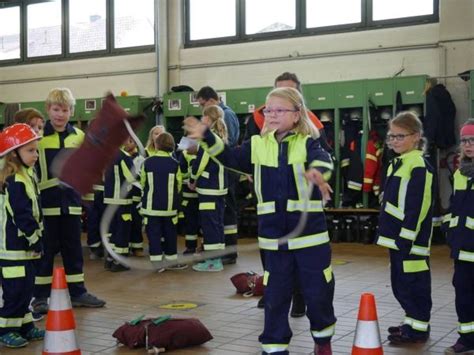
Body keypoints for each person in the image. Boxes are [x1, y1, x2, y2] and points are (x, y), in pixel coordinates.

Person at [184, 87, 336, 355]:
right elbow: (229, 157)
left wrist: (318, 174)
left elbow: (324, 161)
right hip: (274, 240)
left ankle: (322, 340)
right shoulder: (257, 145)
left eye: (280, 110)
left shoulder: (308, 143)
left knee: (318, 292)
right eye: (268, 110)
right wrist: (206, 137)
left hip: (310, 239)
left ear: (296, 115)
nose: (272, 114)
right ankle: (275, 347)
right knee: (275, 296)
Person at [246, 72, 323, 316]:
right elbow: (246, 148)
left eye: (289, 91)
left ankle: (299, 298)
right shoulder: (258, 118)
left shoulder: (312, 126)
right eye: (279, 89)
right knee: (271, 254)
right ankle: (274, 292)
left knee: (300, 256)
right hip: (269, 201)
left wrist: (318, 172)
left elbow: (324, 154)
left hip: (299, 207)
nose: (274, 113)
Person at [31, 88, 105, 313]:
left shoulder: (79, 137)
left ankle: (78, 292)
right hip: (46, 206)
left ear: (72, 111)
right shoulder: (38, 137)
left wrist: (89, 200)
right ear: (48, 109)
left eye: (64, 110)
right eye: (56, 109)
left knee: (73, 250)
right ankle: (40, 297)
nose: (60, 114)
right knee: (45, 252)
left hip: (72, 206)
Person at [375, 111, 434, 345]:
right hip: (396, 238)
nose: (394, 141)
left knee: (414, 283)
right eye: (391, 137)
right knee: (400, 283)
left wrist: (406, 237)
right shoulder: (395, 164)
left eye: (400, 136)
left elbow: (419, 206)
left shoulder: (419, 165)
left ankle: (419, 329)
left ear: (416, 137)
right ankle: (411, 321)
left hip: (410, 240)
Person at [0, 124, 45, 348]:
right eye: (30, 151)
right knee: (15, 290)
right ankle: (6, 329)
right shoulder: (14, 181)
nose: (36, 155)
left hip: (25, 247)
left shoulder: (27, 175)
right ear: (13, 153)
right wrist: (35, 238)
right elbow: (22, 215)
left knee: (26, 287)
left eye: (36, 150)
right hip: (13, 249)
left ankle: (24, 325)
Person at [196, 86, 240, 265]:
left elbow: (220, 146)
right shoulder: (227, 114)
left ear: (212, 101)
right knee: (224, 213)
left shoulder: (224, 116)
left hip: (219, 175)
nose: (201, 110)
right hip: (224, 172)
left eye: (202, 105)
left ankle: (226, 252)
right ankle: (226, 250)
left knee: (223, 214)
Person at [444, 119, 474, 355]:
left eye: (473, 140)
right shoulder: (460, 173)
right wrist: (451, 235)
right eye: (465, 140)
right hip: (463, 248)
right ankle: (467, 338)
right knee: (463, 293)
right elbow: (455, 209)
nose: (468, 145)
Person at [190, 105, 229, 272]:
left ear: (208, 119)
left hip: (208, 188)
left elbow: (201, 163)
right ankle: (217, 257)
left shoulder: (209, 138)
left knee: (209, 224)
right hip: (220, 188)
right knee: (217, 223)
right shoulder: (222, 137)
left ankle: (212, 261)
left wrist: (192, 179)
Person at [140, 132, 187, 271]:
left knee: (153, 234)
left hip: (150, 207)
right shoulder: (175, 164)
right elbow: (179, 185)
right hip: (169, 208)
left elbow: (143, 182)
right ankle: (171, 261)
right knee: (170, 233)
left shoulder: (147, 162)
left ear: (156, 145)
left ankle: (156, 263)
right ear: (172, 146)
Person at [103, 137, 136, 272]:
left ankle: (110, 259)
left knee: (112, 230)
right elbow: (131, 178)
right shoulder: (124, 157)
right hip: (122, 200)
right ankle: (120, 261)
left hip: (109, 199)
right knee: (122, 230)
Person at [123, 136, 144, 257]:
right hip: (124, 194)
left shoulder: (140, 159)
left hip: (136, 193)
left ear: (135, 143)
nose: (126, 144)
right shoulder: (121, 157)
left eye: (130, 141)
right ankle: (125, 246)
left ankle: (137, 246)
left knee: (136, 221)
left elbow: (139, 176)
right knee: (124, 222)